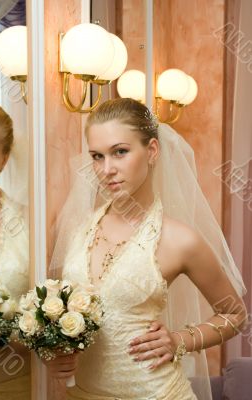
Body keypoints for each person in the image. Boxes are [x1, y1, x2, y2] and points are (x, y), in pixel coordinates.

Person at [48, 98, 247, 400]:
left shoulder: (180, 239)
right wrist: (59, 349)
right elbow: (67, 315)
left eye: (120, 152)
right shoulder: (78, 230)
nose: (107, 169)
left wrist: (180, 339)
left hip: (156, 393)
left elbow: (235, 315)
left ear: (152, 151)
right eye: (97, 156)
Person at [0, 101, 30, 399]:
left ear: (4, 160)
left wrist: (4, 340)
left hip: (13, 386)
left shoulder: (31, 224)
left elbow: (49, 323)